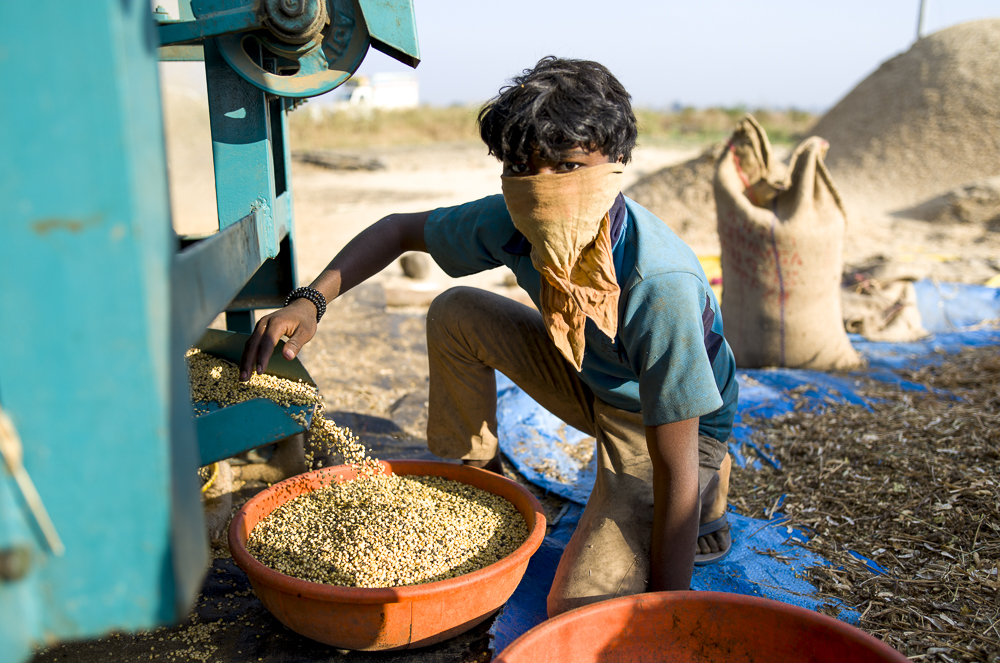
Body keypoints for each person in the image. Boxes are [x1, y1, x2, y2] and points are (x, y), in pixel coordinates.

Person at [239, 56, 738, 616]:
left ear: (616, 163)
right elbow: (399, 229)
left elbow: (671, 456)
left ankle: (708, 487)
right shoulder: (513, 220)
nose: (542, 189)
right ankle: (478, 485)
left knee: (583, 608)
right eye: (523, 168)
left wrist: (669, 608)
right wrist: (311, 301)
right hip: (595, 380)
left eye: (569, 166)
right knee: (457, 311)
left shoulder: (657, 281)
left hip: (672, 425)